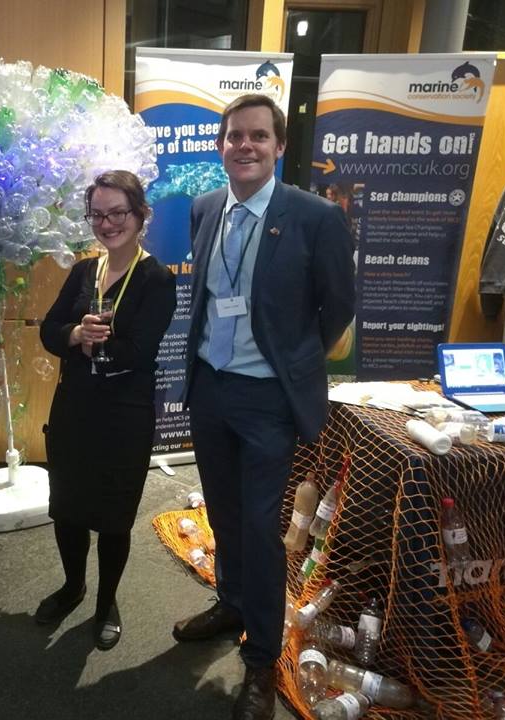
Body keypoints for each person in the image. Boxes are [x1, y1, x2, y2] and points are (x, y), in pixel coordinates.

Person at [173, 94, 355, 720]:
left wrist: (295, 360)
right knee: (223, 514)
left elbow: (339, 306)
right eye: (234, 136)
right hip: (210, 387)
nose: (244, 146)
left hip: (267, 397)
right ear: (220, 146)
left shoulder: (314, 217)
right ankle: (231, 603)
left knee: (258, 525)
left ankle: (261, 658)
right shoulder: (205, 208)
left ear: (278, 146)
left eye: (257, 136)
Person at [37, 170, 176, 650]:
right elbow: (49, 329)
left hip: (123, 417)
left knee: (114, 518)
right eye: (97, 214)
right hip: (74, 411)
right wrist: (75, 334)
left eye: (118, 213)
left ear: (141, 215)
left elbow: (141, 351)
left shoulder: (157, 279)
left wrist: (96, 344)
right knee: (68, 509)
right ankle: (72, 586)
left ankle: (105, 602)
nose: (107, 223)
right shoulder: (84, 271)